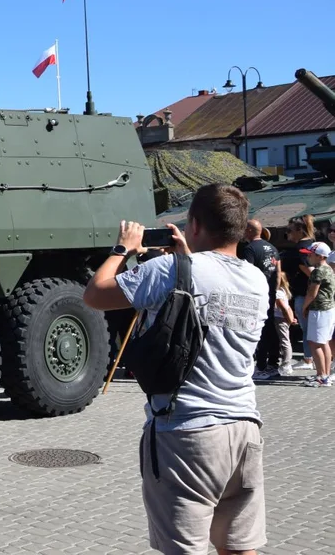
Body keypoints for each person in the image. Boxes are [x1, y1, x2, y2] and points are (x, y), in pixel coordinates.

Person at [83, 183, 268, 555]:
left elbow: (95, 294)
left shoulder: (167, 270)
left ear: (194, 224)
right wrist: (185, 257)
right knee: (239, 546)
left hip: (187, 434)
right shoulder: (256, 280)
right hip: (244, 428)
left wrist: (123, 248)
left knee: (185, 548)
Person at [240, 219, 281, 379]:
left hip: (256, 294)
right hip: (270, 292)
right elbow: (277, 272)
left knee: (260, 329)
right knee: (271, 327)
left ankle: (261, 366)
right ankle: (273, 364)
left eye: (244, 230)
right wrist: (275, 292)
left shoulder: (250, 249)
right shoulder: (273, 248)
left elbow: (247, 272)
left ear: (250, 231)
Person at [281, 215, 315, 369]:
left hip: (305, 294)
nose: (288, 234)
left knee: (308, 329)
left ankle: (309, 359)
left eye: (290, 230)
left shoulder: (300, 250)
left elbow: (312, 273)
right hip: (311, 294)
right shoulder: (312, 245)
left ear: (299, 230)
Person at [299, 241, 335, 386]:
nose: (308, 257)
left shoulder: (318, 271)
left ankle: (321, 376)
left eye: (311, 254)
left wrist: (304, 307)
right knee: (324, 342)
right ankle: (324, 375)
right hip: (328, 309)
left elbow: (312, 292)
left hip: (319, 309)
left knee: (315, 343)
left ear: (320, 256)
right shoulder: (329, 269)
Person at [272, 270, 297, 376]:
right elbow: (288, 307)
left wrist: (289, 319)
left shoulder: (278, 292)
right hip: (284, 318)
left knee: (284, 342)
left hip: (280, 318)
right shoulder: (284, 291)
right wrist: (291, 318)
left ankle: (286, 364)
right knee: (285, 341)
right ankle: (286, 363)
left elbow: (284, 308)